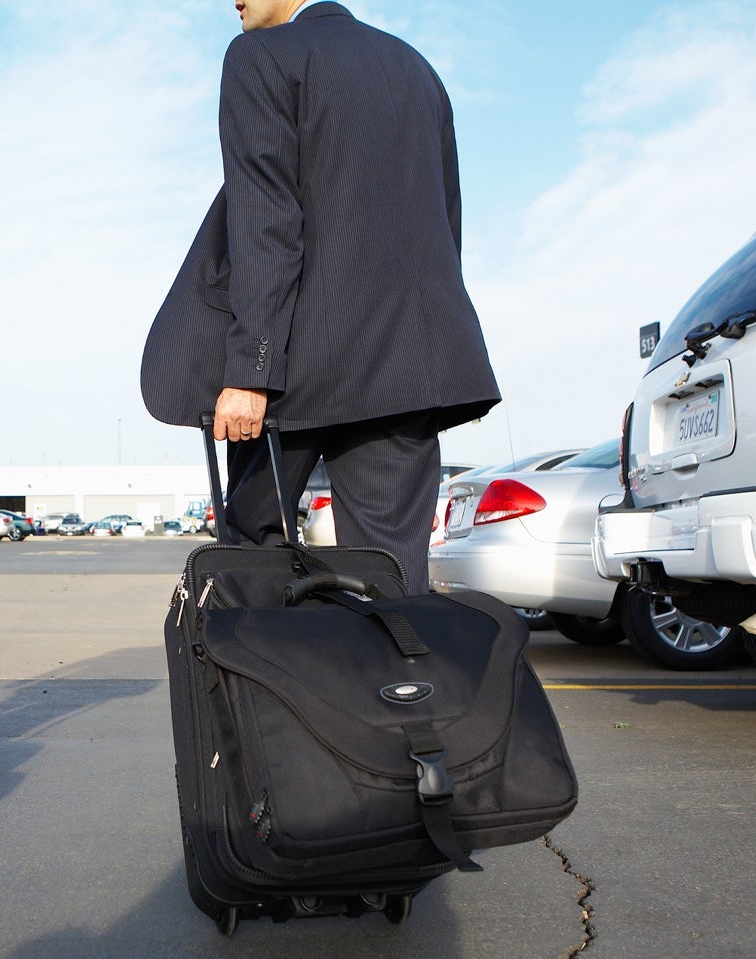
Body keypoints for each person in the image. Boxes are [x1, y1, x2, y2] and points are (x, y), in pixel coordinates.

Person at [141, 0, 500, 593]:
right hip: (409, 370)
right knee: (394, 579)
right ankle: (396, 688)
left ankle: (279, 685)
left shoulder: (261, 56)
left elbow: (266, 221)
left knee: (256, 557)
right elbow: (446, 224)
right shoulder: (417, 68)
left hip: (294, 372)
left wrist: (250, 371)